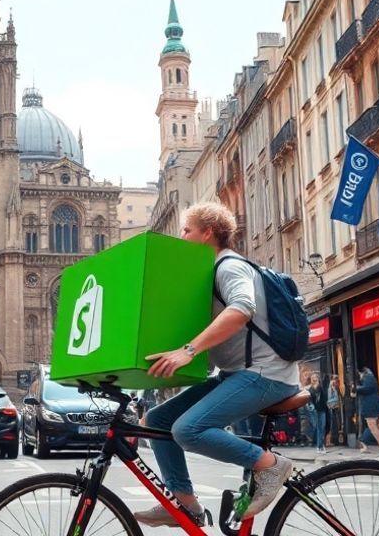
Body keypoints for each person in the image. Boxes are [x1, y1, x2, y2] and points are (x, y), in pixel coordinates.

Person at [139, 202, 300, 527]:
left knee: (187, 429)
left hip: (266, 374)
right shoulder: (209, 272)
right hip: (236, 374)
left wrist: (188, 350)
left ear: (207, 233)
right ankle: (185, 505)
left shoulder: (229, 266)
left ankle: (270, 465)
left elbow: (241, 309)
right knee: (156, 420)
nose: (181, 236)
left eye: (187, 230)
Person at [355, 366, 379, 456]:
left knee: (373, 426)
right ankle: (364, 443)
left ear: (362, 373)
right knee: (370, 426)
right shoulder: (368, 378)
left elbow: (367, 389)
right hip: (369, 405)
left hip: (370, 406)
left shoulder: (368, 378)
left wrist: (357, 388)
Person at [307, 373, 329, 453]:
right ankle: (320, 446)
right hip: (315, 411)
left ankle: (320, 446)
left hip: (322, 410)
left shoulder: (321, 388)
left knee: (322, 428)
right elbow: (309, 400)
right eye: (312, 378)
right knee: (318, 428)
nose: (314, 379)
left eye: (315, 377)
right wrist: (311, 406)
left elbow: (325, 397)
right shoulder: (310, 390)